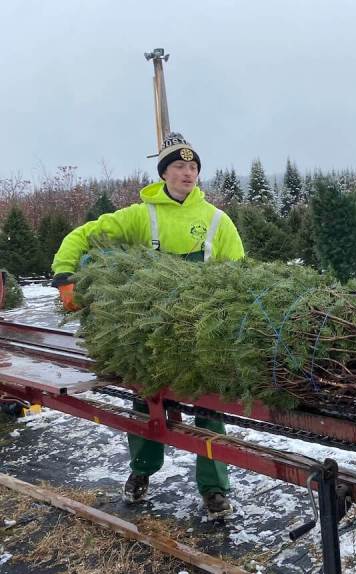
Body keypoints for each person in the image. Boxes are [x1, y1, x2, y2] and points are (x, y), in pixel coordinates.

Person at [51, 132, 245, 517]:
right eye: (179, 166)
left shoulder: (217, 221)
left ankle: (214, 488)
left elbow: (240, 273)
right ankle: (141, 471)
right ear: (164, 173)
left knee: (209, 409)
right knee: (145, 403)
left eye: (193, 167)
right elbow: (82, 235)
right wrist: (64, 276)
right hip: (150, 335)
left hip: (200, 333)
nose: (187, 173)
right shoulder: (142, 215)